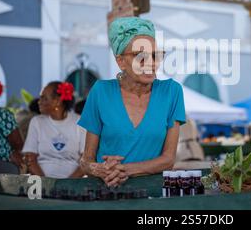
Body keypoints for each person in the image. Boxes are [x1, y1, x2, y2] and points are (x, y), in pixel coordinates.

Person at [78, 17, 186, 187]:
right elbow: (86, 161)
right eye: (140, 56)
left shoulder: (171, 92)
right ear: (121, 61)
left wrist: (123, 169)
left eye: (155, 55)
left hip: (152, 195)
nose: (150, 63)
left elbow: (168, 159)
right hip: (104, 193)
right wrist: (98, 169)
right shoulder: (101, 91)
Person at [22, 81, 86, 178]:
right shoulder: (37, 122)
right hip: (42, 182)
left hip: (73, 183)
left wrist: (68, 184)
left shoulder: (79, 122)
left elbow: (86, 159)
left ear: (57, 101)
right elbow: (30, 158)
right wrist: (45, 184)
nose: (39, 101)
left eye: (44, 98)